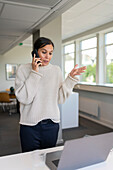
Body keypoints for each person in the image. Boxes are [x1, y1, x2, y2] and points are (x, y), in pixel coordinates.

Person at [15, 37, 86, 152]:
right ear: (35, 52)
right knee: (29, 161)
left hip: (51, 124)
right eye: (44, 52)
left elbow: (60, 98)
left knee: (48, 160)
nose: (47, 56)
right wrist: (34, 72)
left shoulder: (56, 70)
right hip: (29, 126)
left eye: (50, 53)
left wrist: (70, 79)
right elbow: (25, 98)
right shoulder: (23, 69)